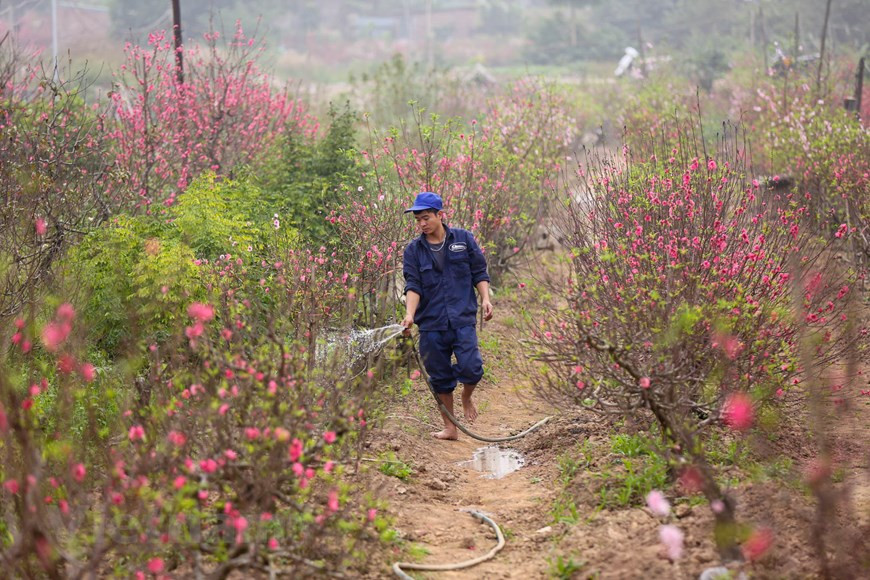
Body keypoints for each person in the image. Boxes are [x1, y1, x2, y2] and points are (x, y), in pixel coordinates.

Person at [400, 192, 493, 440]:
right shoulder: (413, 250)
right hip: (432, 324)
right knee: (440, 377)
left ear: (440, 215)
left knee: (472, 368)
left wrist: (485, 298)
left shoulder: (463, 239)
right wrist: (409, 315)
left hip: (462, 318)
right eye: (418, 219)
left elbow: (479, 272)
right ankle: (450, 428)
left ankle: (466, 397)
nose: (422, 224)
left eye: (426, 218)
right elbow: (413, 285)